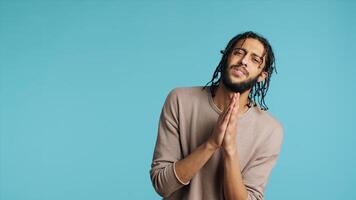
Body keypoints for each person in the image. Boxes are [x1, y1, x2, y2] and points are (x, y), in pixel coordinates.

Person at [150, 31, 284, 200]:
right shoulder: (180, 100)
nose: (243, 61)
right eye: (238, 52)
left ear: (262, 76)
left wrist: (230, 151)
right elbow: (162, 185)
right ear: (226, 57)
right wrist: (211, 144)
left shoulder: (270, 131)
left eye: (254, 59)